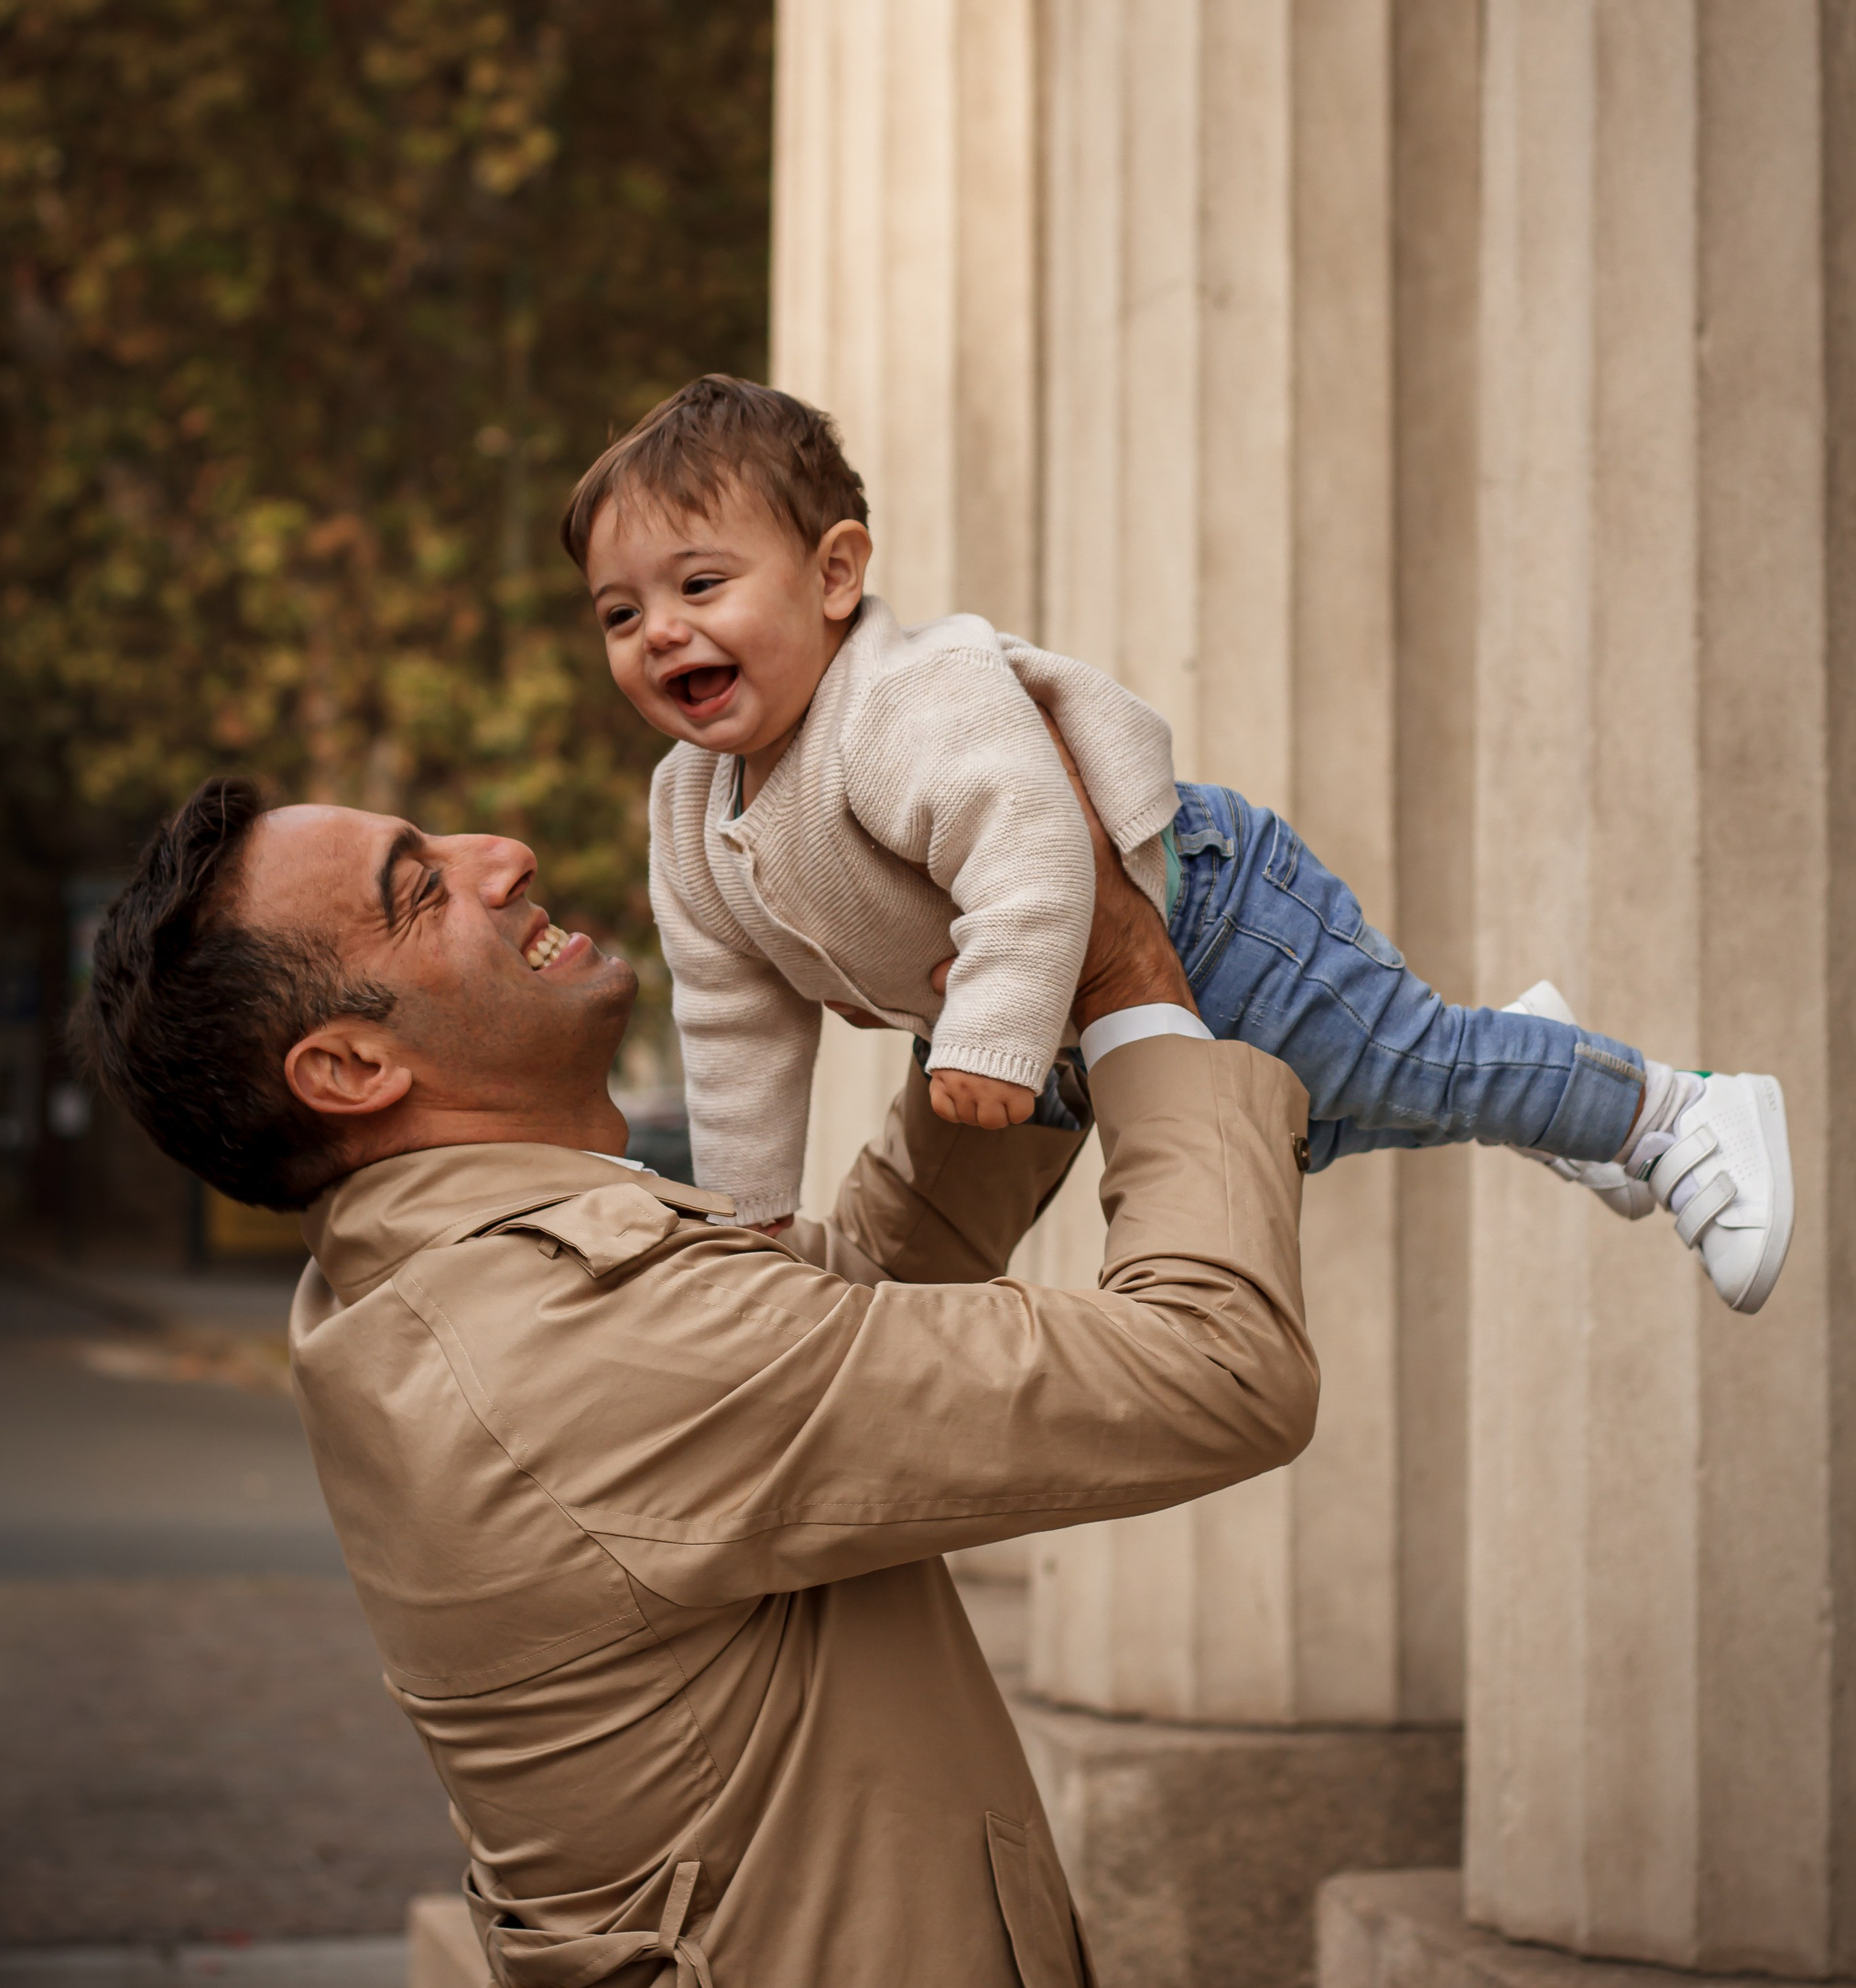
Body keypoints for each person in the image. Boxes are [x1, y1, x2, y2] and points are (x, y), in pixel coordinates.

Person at [77, 761, 1317, 1988]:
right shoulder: (561, 1342)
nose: (503, 851)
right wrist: (1130, 998)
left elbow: (814, 1352)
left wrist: (1005, 1029)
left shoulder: (464, 1284)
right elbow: (1213, 1368)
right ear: (349, 1072)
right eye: (420, 891)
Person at [563, 374, 1794, 1316]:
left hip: (1203, 909)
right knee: (1309, 1120)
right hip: (1033, 1019)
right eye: (623, 615)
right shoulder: (691, 809)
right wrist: (752, 1215)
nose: (661, 634)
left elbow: (1037, 851)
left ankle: (1668, 1114)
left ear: (835, 576)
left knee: (1389, 1072)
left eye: (701, 587)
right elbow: (733, 1024)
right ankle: (1535, 1074)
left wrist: (991, 1033)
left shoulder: (903, 701)